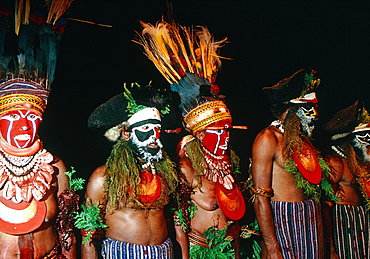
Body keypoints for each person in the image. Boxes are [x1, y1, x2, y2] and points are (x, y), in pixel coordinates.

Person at [135, 20, 247, 259]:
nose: (225, 138)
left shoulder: (229, 163)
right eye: (217, 131)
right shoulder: (187, 166)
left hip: (228, 248)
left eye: (226, 130)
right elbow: (179, 217)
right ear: (199, 134)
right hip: (200, 249)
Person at [0, 1, 78, 258]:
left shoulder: (57, 168)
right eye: (13, 115)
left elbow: (67, 230)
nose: (24, 125)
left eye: (32, 116)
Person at [80, 83, 179, 259]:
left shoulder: (165, 173)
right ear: (126, 134)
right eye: (145, 129)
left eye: (157, 129)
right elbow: (89, 233)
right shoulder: (103, 177)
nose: (154, 136)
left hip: (163, 252)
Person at [250, 68, 337, 259]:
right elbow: (260, 197)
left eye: (315, 107)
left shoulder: (305, 143)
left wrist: (329, 247)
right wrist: (272, 247)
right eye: (307, 108)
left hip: (313, 225)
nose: (314, 114)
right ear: (289, 110)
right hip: (284, 225)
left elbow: (318, 196)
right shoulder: (268, 139)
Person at [322, 100, 370, 259]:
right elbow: (325, 208)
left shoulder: (361, 163)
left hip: (363, 227)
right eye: (364, 136)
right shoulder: (336, 164)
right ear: (348, 139)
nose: (369, 141)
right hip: (343, 228)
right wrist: (331, 249)